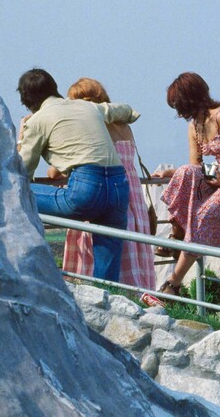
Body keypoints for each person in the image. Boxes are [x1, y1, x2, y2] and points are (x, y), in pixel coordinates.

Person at [16, 68, 137, 282]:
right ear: (55, 89)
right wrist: (131, 115)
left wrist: (21, 135)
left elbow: (21, 173)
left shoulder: (38, 120)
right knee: (107, 274)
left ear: (28, 101)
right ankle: (108, 304)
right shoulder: (87, 107)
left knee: (16, 191)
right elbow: (122, 109)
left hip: (86, 190)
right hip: (119, 186)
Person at [152, 72, 220, 296]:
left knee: (203, 215)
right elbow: (195, 166)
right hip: (219, 172)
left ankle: (173, 284)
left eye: (178, 103)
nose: (178, 110)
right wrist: (171, 172)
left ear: (190, 97)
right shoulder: (194, 127)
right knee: (185, 171)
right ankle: (177, 233)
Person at [58, 77, 156, 290]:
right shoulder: (123, 126)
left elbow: (55, 170)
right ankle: (136, 293)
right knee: (129, 248)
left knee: (99, 247)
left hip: (102, 191)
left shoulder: (90, 126)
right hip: (130, 196)